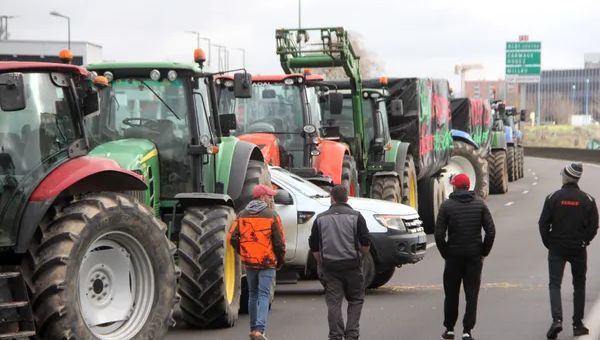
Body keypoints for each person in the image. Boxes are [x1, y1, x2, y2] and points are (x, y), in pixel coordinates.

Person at [539, 162, 598, 339]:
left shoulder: (553, 197)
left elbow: (543, 224)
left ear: (566, 177)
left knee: (554, 284)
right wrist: (584, 241)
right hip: (578, 248)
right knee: (579, 284)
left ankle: (557, 320)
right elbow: (594, 226)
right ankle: (577, 324)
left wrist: (549, 243)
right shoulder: (588, 199)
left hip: (557, 247)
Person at [435, 173, 495, 340]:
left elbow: (439, 235)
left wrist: (446, 253)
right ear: (468, 187)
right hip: (474, 257)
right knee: (472, 294)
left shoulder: (447, 206)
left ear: (454, 186)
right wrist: (483, 252)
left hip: (453, 257)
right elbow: (491, 231)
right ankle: (467, 330)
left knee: (451, 293)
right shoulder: (480, 205)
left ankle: (449, 329)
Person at [308, 185, 370, 340]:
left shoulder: (320, 218)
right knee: (356, 299)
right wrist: (361, 257)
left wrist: (320, 261)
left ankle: (335, 335)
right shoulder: (357, 216)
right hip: (352, 266)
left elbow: (314, 245)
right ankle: (352, 334)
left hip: (330, 267)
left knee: (334, 302)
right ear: (347, 198)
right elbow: (365, 242)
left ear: (332, 198)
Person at [228, 184, 286, 340]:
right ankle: (260, 330)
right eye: (269, 196)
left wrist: (244, 252)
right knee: (263, 295)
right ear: (262, 197)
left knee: (253, 295)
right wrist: (280, 261)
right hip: (267, 262)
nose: (271, 199)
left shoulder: (241, 215)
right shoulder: (272, 215)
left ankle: (253, 328)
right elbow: (279, 243)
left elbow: (232, 237)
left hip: (249, 262)